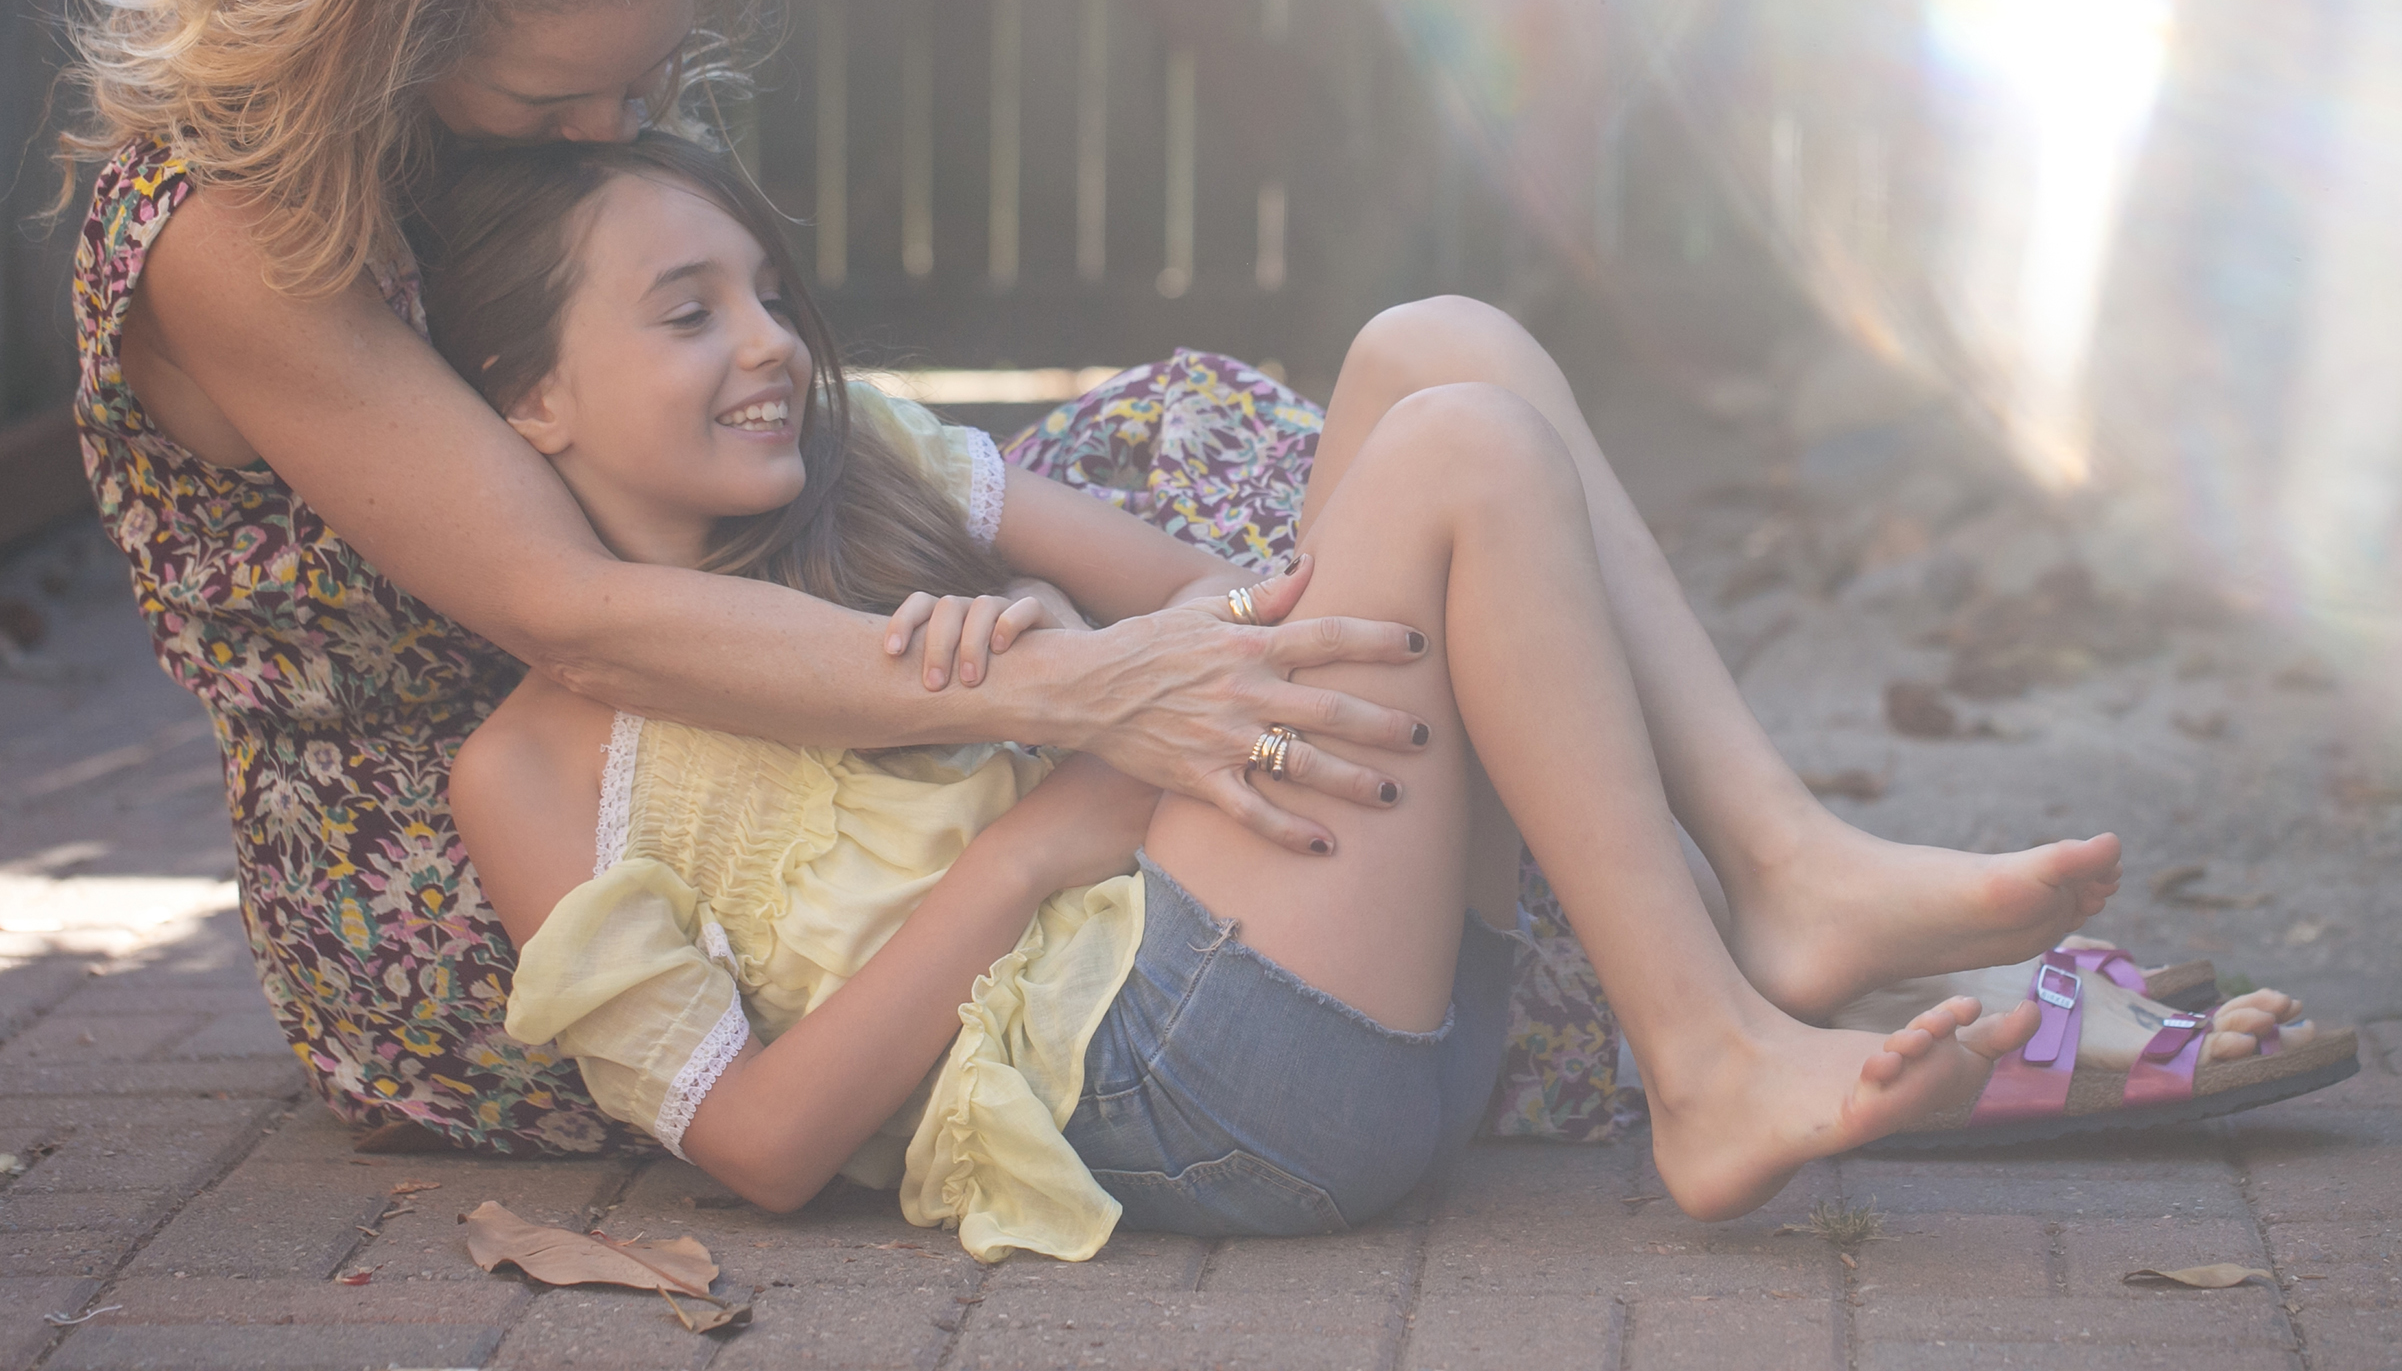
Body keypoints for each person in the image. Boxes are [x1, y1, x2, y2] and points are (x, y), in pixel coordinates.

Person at [54, 0, 2236, 1169]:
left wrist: (1155, 649)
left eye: (642, 88)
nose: (607, 135)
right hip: (561, 868)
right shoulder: (232, 226)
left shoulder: (516, 128)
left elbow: (785, 490)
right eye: (561, 106)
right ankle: (1757, 1031)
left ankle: (1779, 876)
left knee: (1388, 421)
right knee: (1372, 636)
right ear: (392, 6)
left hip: (797, 706)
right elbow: (579, 618)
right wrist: (1085, 703)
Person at [421, 131, 2085, 1253]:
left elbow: (1228, 599)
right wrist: (1027, 847)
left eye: (771, 295)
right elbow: (758, 1147)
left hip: (1325, 995)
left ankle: (1782, 871)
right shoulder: (536, 770)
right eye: (690, 314)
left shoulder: (873, 473)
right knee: (1458, 449)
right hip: (1165, 1089)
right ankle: (1708, 1059)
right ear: (530, 399)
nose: (772, 343)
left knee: (1443, 349)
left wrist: (1061, 645)